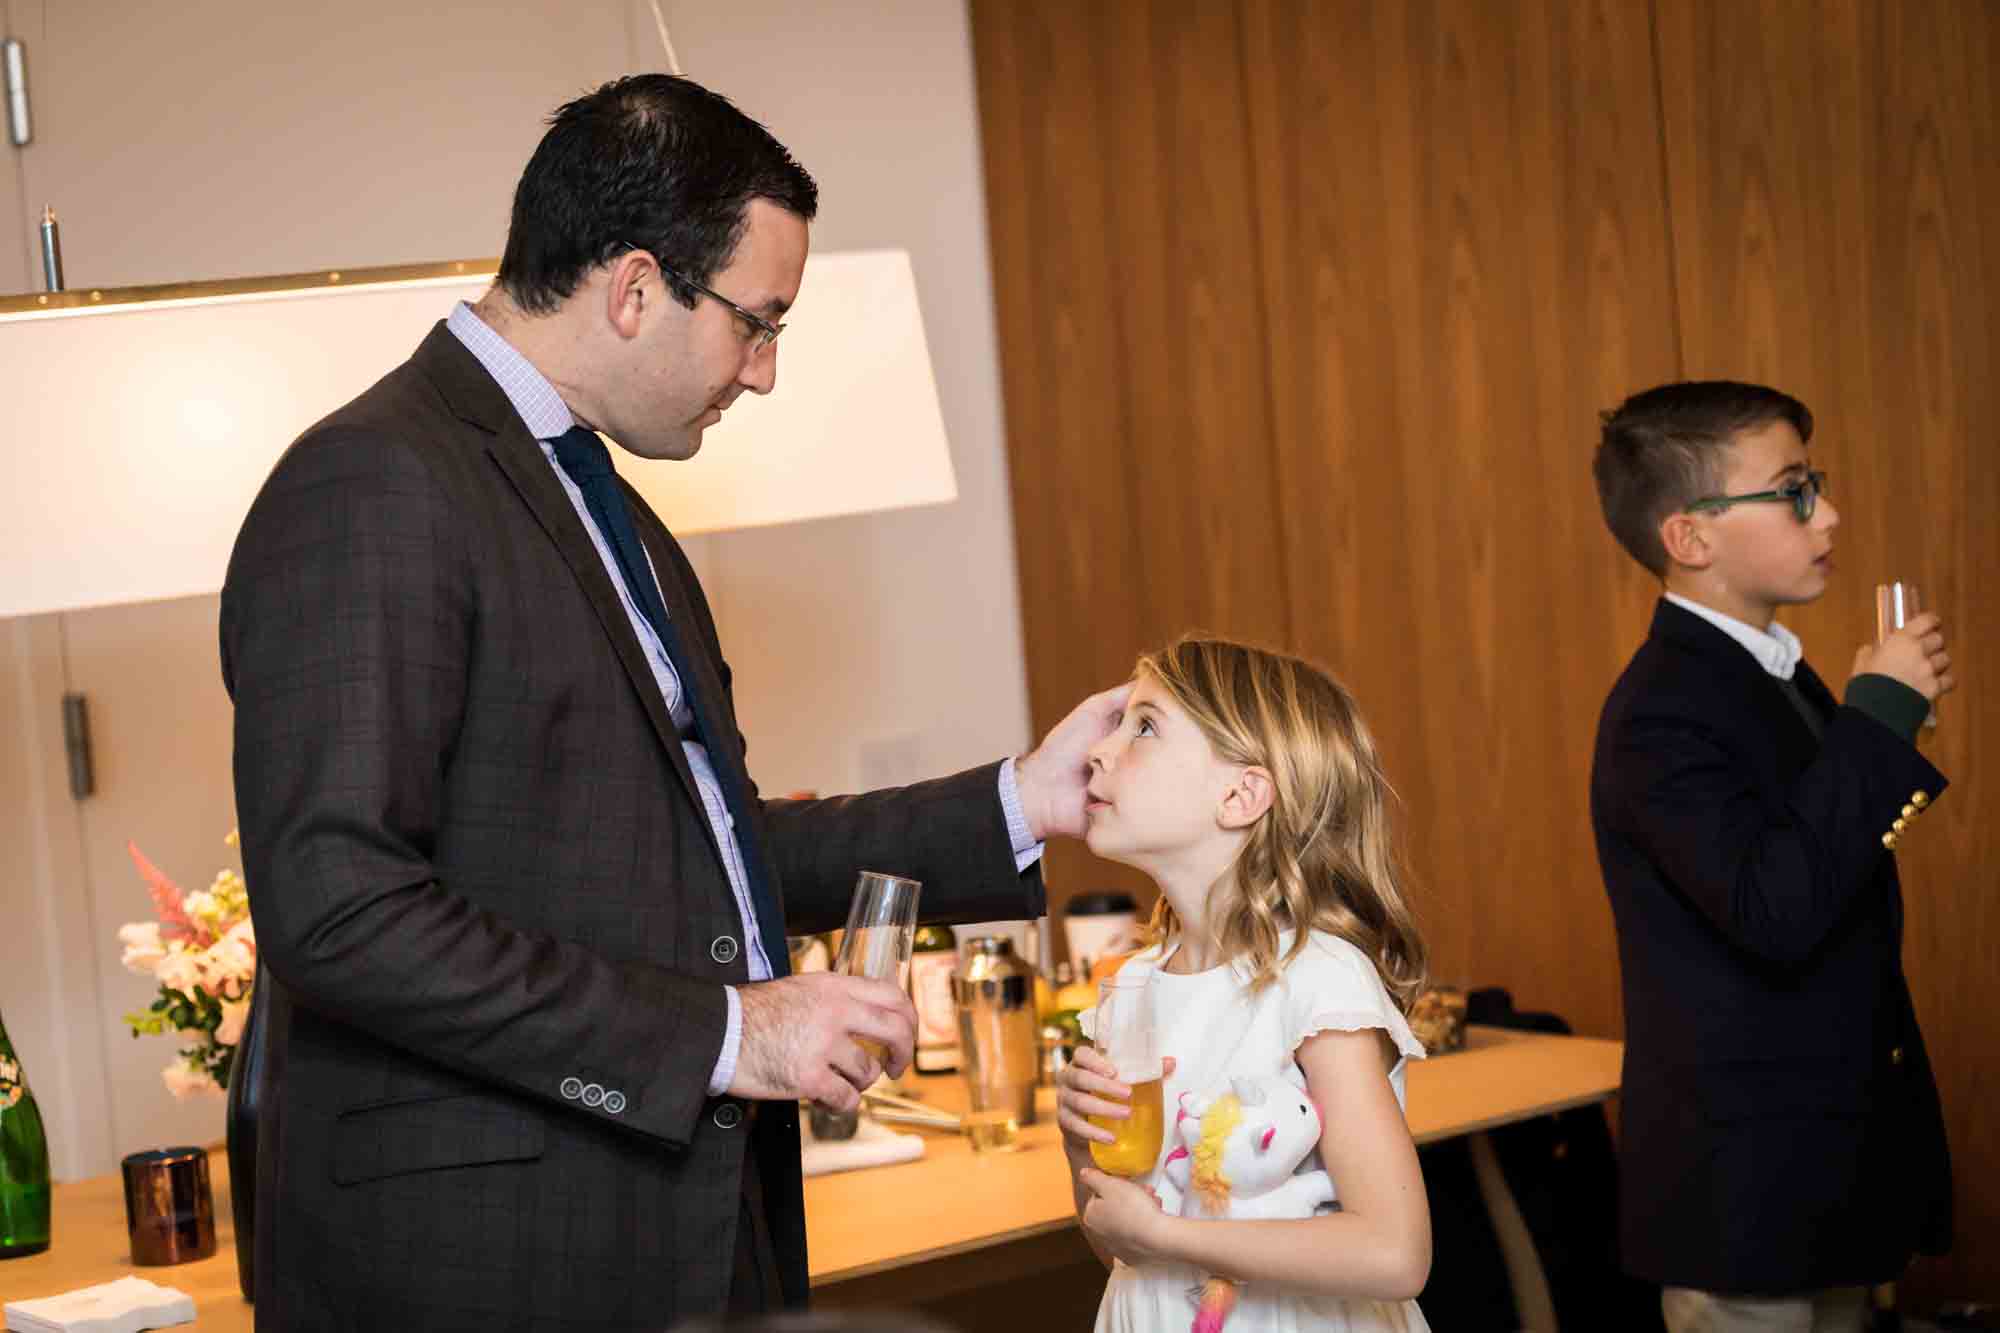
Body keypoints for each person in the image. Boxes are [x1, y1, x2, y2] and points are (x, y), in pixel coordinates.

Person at [219, 73, 1123, 1332]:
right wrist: (726, 1034)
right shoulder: (374, 480)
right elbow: (341, 908)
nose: (761, 375)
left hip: (677, 1227)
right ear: (635, 287)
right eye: (757, 324)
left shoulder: (614, 511)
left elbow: (713, 857)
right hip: (484, 1265)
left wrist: (1020, 800)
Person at [1589, 381, 1957, 1333]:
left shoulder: (1768, 669)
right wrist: (1879, 720)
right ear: (1691, 538)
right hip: (1745, 1188)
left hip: (1827, 1163)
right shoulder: (1662, 711)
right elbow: (1774, 906)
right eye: (1792, 489)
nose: (1826, 512)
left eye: (1816, 482)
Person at [1054, 637, 1433, 1332]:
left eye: (1143, 727)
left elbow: (1395, 1250)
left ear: (1241, 794)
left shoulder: (1318, 982)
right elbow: (1120, 1247)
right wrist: (1080, 1142)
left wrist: (1166, 1237)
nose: (1097, 752)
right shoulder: (1129, 988)